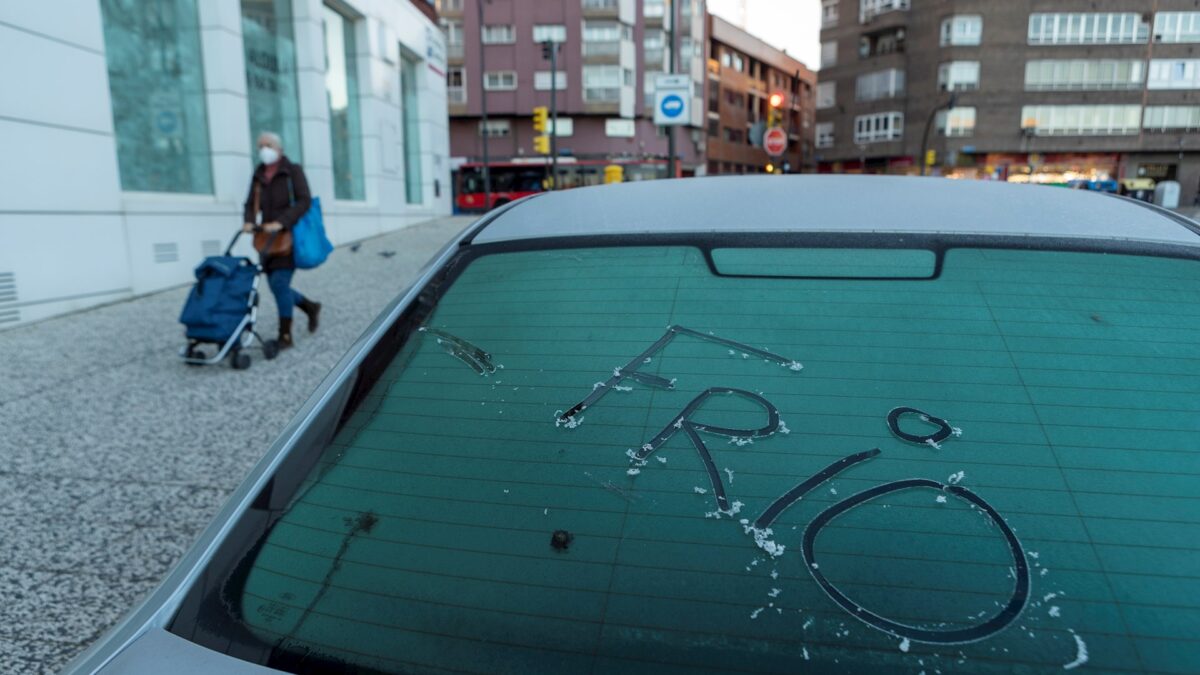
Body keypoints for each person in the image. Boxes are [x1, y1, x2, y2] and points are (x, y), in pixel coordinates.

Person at [242, 132, 322, 350]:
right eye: (260, 146)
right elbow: (250, 203)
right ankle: (309, 306)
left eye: (267, 145)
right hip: (266, 240)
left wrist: (282, 221)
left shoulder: (292, 171)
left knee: (279, 283)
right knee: (278, 287)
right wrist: (249, 221)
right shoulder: (259, 174)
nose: (263, 150)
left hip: (288, 237)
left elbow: (304, 200)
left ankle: (285, 336)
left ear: (278, 148)